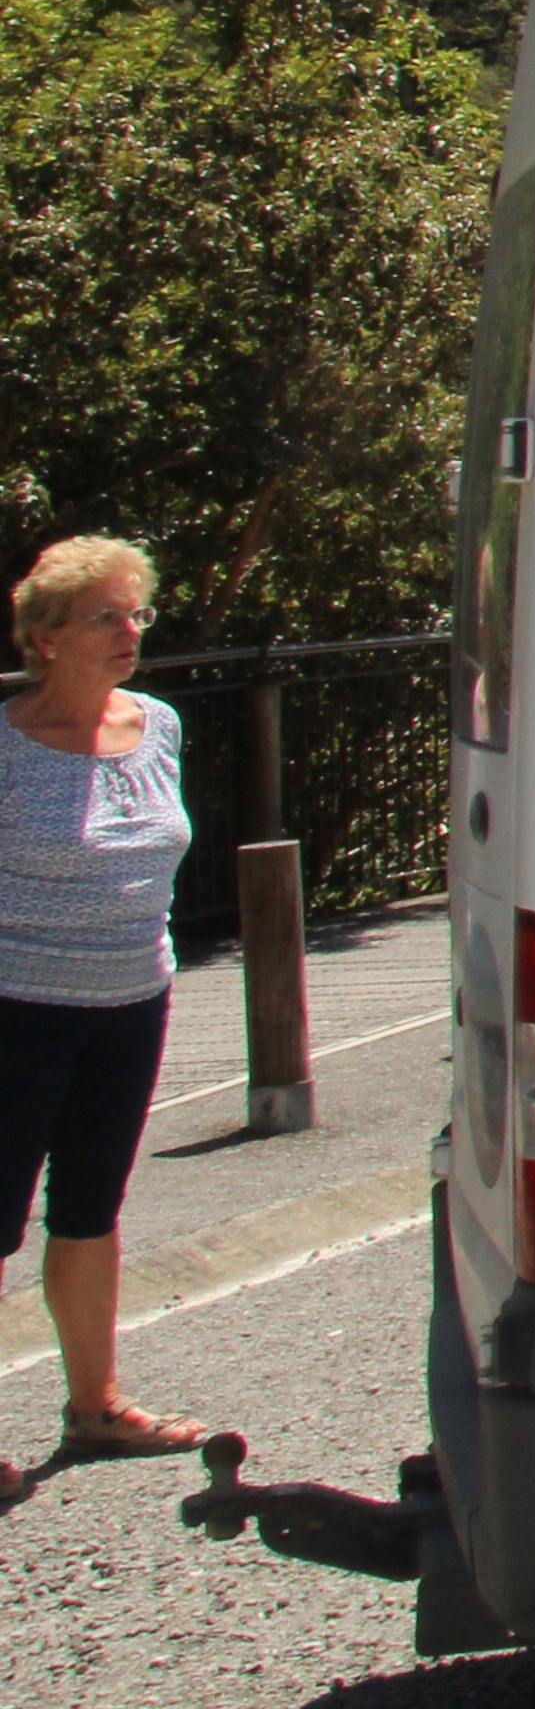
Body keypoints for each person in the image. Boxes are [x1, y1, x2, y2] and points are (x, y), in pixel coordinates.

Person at [3, 537, 210, 1492]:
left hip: (130, 1001)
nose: (130, 632)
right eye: (105, 618)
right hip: (17, 1009)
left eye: (138, 614)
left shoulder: (158, 725)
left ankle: (96, 1408)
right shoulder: (7, 744)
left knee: (91, 1208)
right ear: (46, 638)